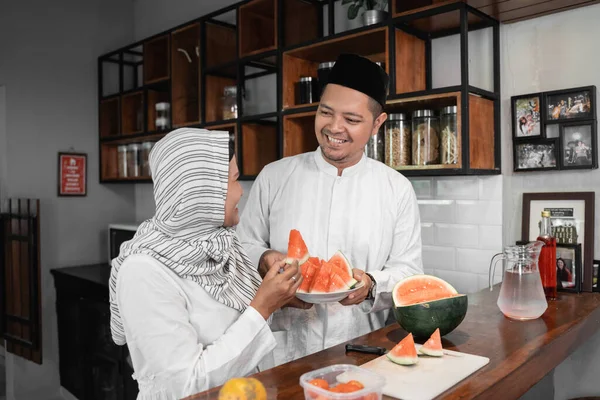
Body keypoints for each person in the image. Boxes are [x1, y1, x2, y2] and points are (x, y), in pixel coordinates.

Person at [237, 53, 424, 368]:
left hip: (363, 353)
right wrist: (264, 259)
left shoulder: (397, 189)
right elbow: (242, 246)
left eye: (351, 120)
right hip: (282, 353)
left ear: (378, 123)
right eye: (325, 112)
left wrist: (370, 285)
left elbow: (409, 273)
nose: (334, 128)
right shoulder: (274, 176)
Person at [108, 128, 303, 399]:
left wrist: (284, 299)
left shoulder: (222, 246)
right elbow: (184, 386)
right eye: (234, 180)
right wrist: (262, 306)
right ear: (202, 191)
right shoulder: (143, 271)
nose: (241, 192)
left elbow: (236, 322)